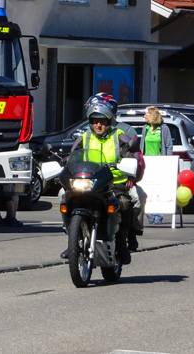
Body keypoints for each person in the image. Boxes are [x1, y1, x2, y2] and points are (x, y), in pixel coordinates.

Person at [60, 95, 141, 264]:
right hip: (89, 181)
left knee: (125, 203)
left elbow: (134, 154)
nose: (98, 124)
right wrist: (64, 162)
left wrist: (132, 167)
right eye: (95, 120)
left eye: (102, 121)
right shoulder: (85, 136)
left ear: (109, 120)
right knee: (64, 198)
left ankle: (121, 240)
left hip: (114, 183)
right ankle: (73, 241)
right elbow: (72, 155)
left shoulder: (120, 136)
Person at [142, 107, 172, 225]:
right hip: (146, 163)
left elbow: (169, 146)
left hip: (160, 163)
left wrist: (167, 161)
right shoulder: (145, 128)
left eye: (145, 114)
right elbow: (142, 145)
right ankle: (149, 212)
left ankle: (159, 214)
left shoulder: (164, 128)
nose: (144, 116)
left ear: (152, 116)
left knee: (159, 189)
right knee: (146, 188)